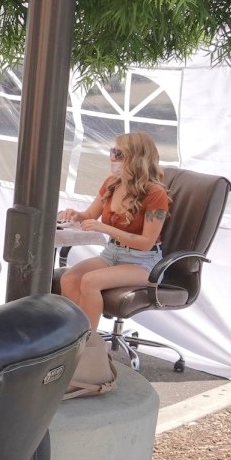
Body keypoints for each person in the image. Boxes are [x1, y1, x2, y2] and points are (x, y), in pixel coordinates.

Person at [58, 132, 171, 326]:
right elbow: (89, 216)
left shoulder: (155, 194)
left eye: (118, 153)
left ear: (136, 158)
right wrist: (74, 215)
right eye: (112, 151)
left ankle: (89, 344)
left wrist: (105, 229)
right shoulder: (112, 183)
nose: (112, 157)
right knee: (69, 279)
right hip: (112, 253)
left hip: (143, 262)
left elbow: (146, 243)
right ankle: (73, 336)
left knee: (90, 281)